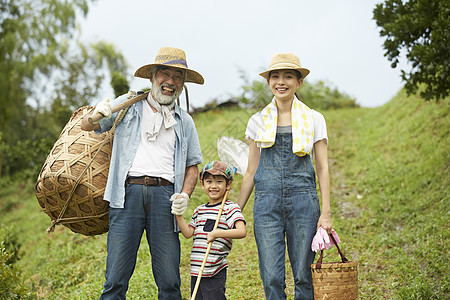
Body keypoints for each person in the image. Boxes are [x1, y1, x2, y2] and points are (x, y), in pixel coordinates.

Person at [81, 47, 204, 300]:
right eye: (165, 74)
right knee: (115, 279)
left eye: (178, 77)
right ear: (152, 76)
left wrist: (185, 195)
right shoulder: (127, 105)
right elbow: (87, 126)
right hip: (127, 195)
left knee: (170, 281)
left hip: (166, 198)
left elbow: (193, 165)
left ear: (182, 84)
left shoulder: (184, 121)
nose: (170, 82)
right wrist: (95, 114)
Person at [237, 52, 332, 299]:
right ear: (269, 82)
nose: (281, 82)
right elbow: (251, 171)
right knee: (271, 278)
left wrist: (326, 213)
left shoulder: (314, 118)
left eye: (288, 76)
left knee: (304, 276)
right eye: (275, 76)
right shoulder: (257, 121)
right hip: (266, 204)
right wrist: (236, 209)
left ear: (299, 82)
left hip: (304, 202)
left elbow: (322, 168)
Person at [172, 161, 246, 300]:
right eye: (209, 181)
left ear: (228, 184)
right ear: (202, 184)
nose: (213, 186)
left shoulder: (230, 208)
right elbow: (188, 233)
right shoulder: (199, 210)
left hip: (214, 269)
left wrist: (217, 233)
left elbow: (241, 231)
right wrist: (178, 215)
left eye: (219, 181)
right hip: (197, 269)